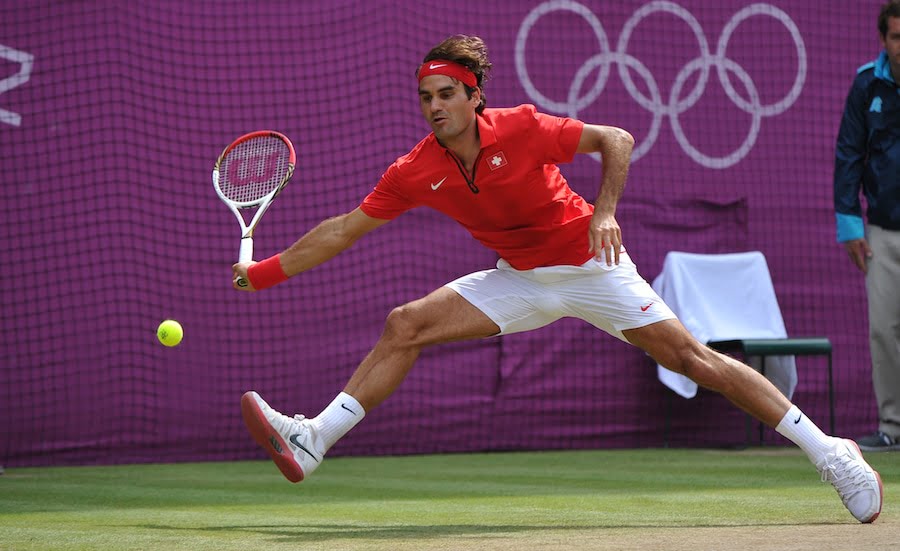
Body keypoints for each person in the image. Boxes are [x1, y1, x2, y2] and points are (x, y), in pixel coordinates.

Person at [233, 35, 882, 523]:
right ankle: (314, 438)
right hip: (519, 278)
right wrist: (261, 274)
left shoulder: (522, 126)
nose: (434, 107)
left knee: (693, 357)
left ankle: (831, 452)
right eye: (425, 97)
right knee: (406, 324)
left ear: (473, 95)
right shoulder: (416, 169)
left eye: (446, 94)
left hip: (590, 266)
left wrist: (604, 214)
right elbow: (344, 228)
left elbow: (617, 139)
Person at [834, 0, 900, 453]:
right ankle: (893, 427)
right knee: (883, 330)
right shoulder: (866, 85)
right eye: (897, 37)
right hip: (881, 230)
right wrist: (848, 223)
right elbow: (849, 156)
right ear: (883, 39)